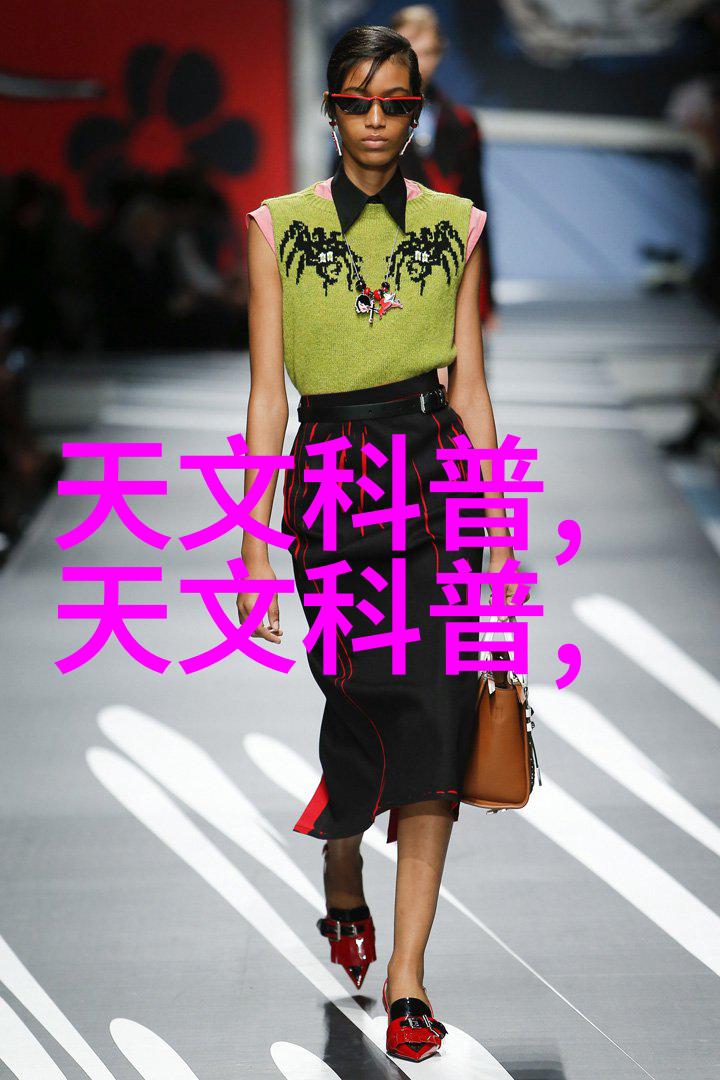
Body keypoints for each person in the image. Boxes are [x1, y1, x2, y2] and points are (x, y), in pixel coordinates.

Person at [239, 24, 526, 1064]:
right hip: (330, 483)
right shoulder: (279, 227)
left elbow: (472, 388)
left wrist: (498, 528)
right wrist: (253, 544)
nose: (375, 120)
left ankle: (408, 976)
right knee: (357, 692)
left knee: (436, 710)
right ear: (330, 109)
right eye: (357, 101)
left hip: (435, 476)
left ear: (416, 111)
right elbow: (267, 397)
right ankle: (342, 853)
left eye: (395, 103)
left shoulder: (457, 224)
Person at [390, 5, 497, 332]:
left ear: (439, 54)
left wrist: (487, 299)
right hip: (388, 267)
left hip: (451, 268)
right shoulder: (364, 118)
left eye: (426, 52)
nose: (417, 63)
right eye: (407, 52)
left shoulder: (462, 124)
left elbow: (477, 208)